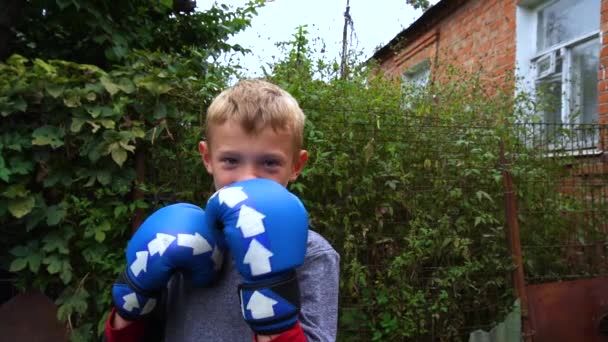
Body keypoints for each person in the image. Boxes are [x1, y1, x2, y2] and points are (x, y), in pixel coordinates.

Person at [104, 79, 340, 341]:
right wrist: (133, 296)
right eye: (231, 160)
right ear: (207, 158)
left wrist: (271, 294)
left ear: (296, 165)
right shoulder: (181, 240)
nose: (248, 178)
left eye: (270, 163)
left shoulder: (312, 253)